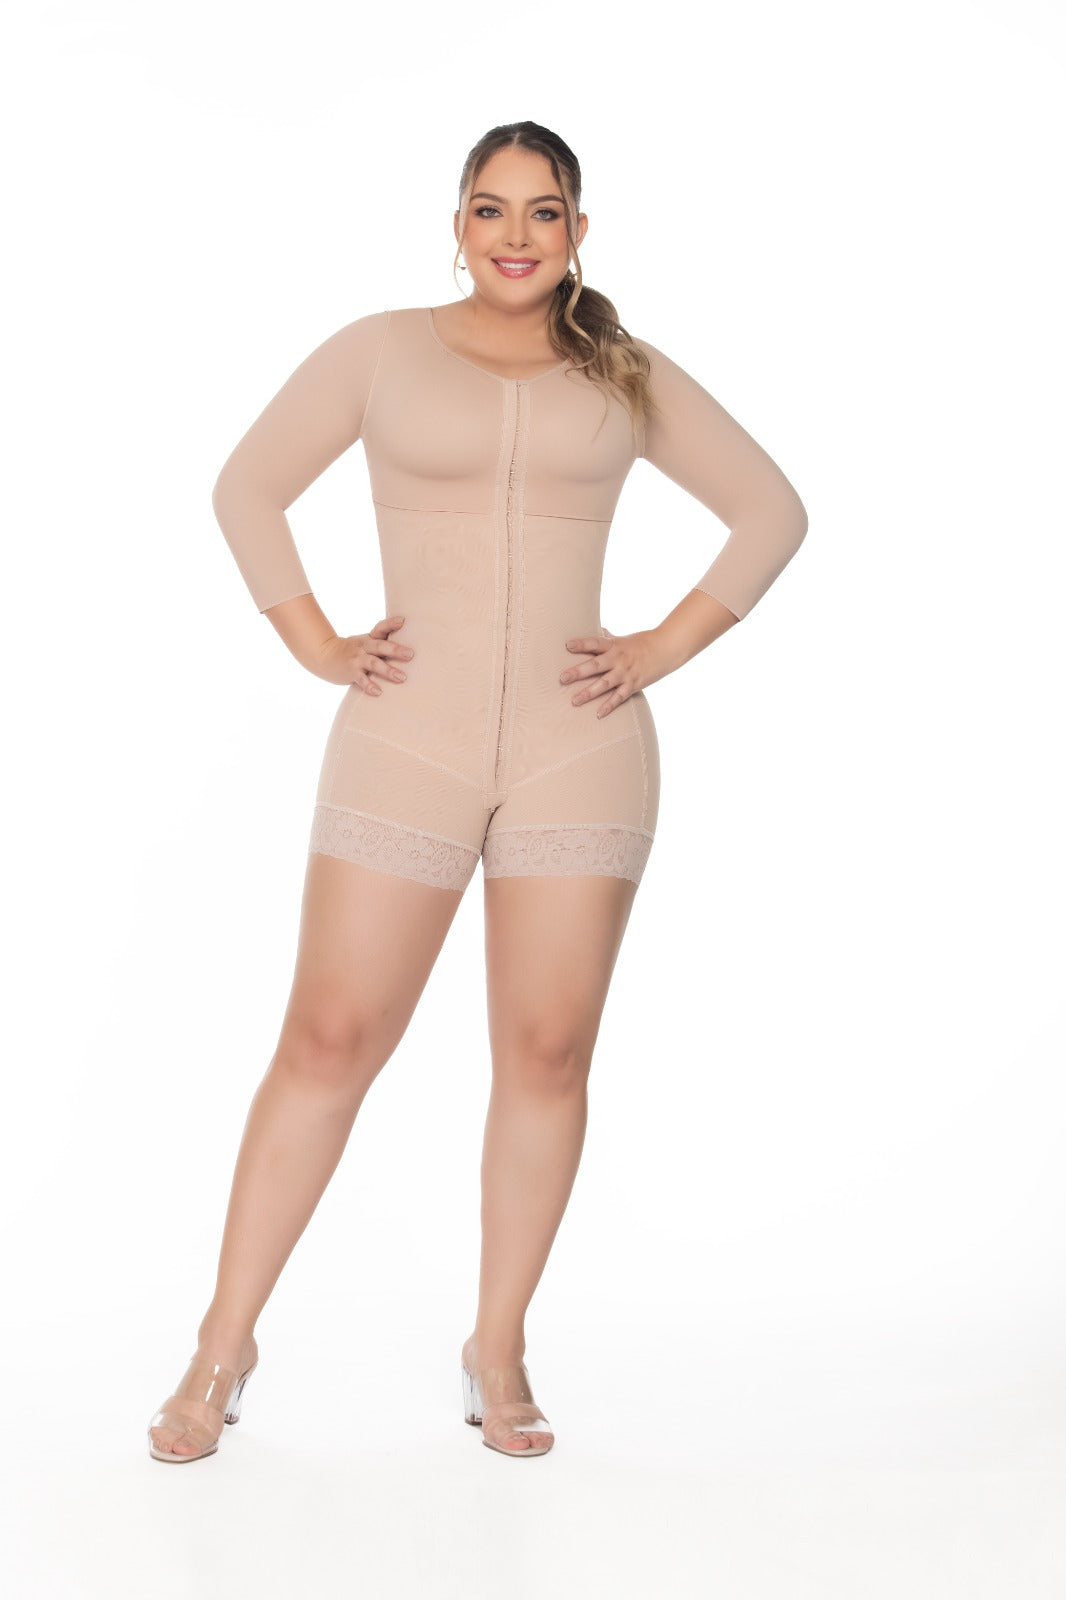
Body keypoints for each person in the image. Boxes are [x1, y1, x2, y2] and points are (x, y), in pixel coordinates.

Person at [147, 120, 808, 1464]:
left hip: (581, 748)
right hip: (408, 738)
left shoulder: (623, 370)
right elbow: (247, 488)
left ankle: (497, 1349)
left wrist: (657, 650)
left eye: (544, 210)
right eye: (491, 208)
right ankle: (222, 1346)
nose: (516, 234)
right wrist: (316, 643)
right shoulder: (380, 350)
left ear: (579, 232)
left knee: (547, 1052)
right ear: (456, 225)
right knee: (329, 1038)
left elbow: (771, 512)